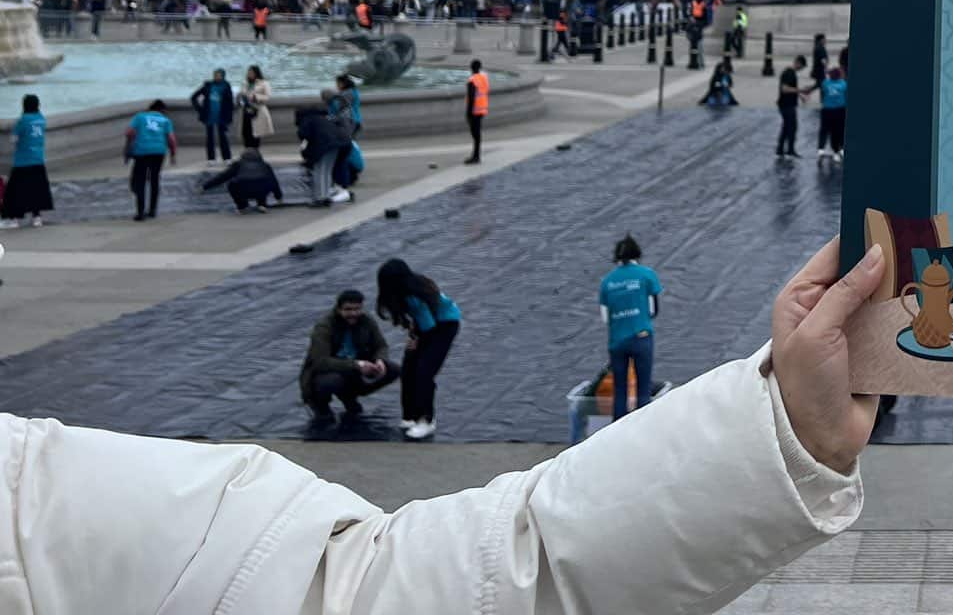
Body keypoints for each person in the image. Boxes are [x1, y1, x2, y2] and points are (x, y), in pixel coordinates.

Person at [0, 239, 878, 609]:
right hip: (569, 342)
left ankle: (421, 413)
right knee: (626, 376)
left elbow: (378, 591)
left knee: (446, 374)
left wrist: (782, 426)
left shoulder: (34, 497)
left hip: (462, 335)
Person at [377, 258, 462, 441]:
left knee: (424, 371)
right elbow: (420, 323)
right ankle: (409, 416)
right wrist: (414, 338)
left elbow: (430, 327)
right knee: (408, 368)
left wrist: (418, 342)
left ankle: (426, 420)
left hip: (445, 325)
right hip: (427, 327)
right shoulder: (408, 291)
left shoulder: (414, 296)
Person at [300, 287, 394, 422]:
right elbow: (320, 362)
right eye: (348, 309)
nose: (353, 313)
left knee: (393, 369)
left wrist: (380, 360)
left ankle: (349, 395)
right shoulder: (324, 327)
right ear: (339, 309)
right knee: (331, 381)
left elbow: (381, 345)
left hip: (352, 370)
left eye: (357, 309)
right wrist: (357, 365)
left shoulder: (366, 321)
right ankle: (320, 405)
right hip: (327, 372)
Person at [599, 234, 663, 421]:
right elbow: (653, 310)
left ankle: (617, 430)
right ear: (637, 254)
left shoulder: (607, 282)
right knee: (643, 387)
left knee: (620, 389)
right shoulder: (646, 275)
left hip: (617, 341)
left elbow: (605, 318)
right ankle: (642, 431)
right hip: (641, 336)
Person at [1, 95, 52, 228]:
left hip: (23, 161)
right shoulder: (41, 119)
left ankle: (13, 219)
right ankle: (37, 218)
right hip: (38, 160)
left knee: (15, 192)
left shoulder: (23, 120)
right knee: (37, 191)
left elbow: (14, 139)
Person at [125, 100, 177, 220]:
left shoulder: (140, 117)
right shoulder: (165, 120)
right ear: (162, 110)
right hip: (159, 152)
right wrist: (173, 155)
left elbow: (129, 133)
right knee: (154, 179)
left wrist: (129, 149)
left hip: (142, 151)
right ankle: (153, 210)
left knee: (140, 181)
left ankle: (140, 213)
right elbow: (171, 139)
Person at [201, 148, 285, 214]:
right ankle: (262, 204)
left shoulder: (238, 164)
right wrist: (279, 197)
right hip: (261, 190)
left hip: (244, 190)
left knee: (232, 184)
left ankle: (242, 206)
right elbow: (274, 182)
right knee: (264, 181)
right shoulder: (265, 165)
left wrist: (205, 187)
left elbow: (222, 177)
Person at [297, 104, 352, 206]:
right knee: (327, 170)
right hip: (339, 143)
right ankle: (325, 196)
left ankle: (321, 198)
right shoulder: (323, 117)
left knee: (320, 171)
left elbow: (304, 134)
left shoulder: (307, 120)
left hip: (326, 145)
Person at [190, 67, 237, 162]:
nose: (217, 77)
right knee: (210, 137)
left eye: (219, 75)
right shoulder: (208, 85)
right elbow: (194, 97)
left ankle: (227, 157)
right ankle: (211, 158)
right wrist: (199, 109)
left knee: (223, 137)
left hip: (222, 116)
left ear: (223, 76)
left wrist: (230, 114)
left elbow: (230, 103)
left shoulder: (226, 86)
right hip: (209, 116)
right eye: (215, 75)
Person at [805, 65, 847, 160]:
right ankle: (837, 150)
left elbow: (823, 92)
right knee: (837, 130)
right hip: (840, 110)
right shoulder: (844, 84)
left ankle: (821, 149)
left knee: (824, 130)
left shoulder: (826, 83)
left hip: (827, 110)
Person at [775, 55, 803, 160]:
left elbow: (790, 88)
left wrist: (800, 95)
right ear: (798, 63)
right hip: (787, 104)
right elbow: (784, 89)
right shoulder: (789, 73)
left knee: (786, 126)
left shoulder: (789, 72)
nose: (800, 69)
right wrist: (799, 91)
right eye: (801, 67)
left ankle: (780, 149)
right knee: (792, 127)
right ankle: (790, 150)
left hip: (786, 104)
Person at [241, 64, 274, 148]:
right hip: (246, 110)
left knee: (256, 133)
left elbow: (268, 96)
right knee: (246, 133)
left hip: (257, 111)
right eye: (249, 72)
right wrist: (240, 98)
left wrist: (256, 97)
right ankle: (247, 153)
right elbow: (242, 94)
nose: (249, 74)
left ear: (256, 73)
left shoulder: (264, 83)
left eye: (251, 72)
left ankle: (255, 153)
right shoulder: (245, 83)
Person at [464, 59, 488, 164]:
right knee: (477, 134)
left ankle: (475, 157)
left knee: (475, 134)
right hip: (482, 109)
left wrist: (468, 113)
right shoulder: (483, 78)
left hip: (474, 111)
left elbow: (471, 97)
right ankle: (476, 155)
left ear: (471, 68)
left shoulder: (472, 80)